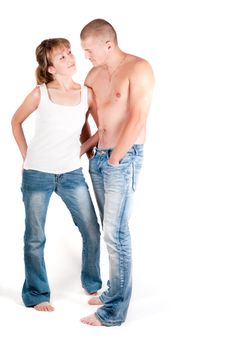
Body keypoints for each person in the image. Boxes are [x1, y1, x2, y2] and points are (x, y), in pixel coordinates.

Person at [11, 38, 102, 312]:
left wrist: (84, 148)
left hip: (71, 174)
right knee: (35, 236)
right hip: (37, 174)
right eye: (61, 57)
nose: (70, 58)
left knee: (91, 230)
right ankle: (37, 293)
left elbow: (100, 129)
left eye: (69, 52)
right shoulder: (40, 93)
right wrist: (26, 156)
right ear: (50, 68)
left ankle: (91, 281)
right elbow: (15, 121)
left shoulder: (87, 93)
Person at [79, 19, 155, 326]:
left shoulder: (139, 68)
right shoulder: (94, 75)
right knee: (108, 229)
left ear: (108, 45)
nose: (85, 56)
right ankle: (113, 291)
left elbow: (137, 118)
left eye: (88, 50)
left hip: (124, 159)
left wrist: (115, 160)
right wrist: (85, 150)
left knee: (116, 231)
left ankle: (113, 312)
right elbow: (97, 124)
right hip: (99, 158)